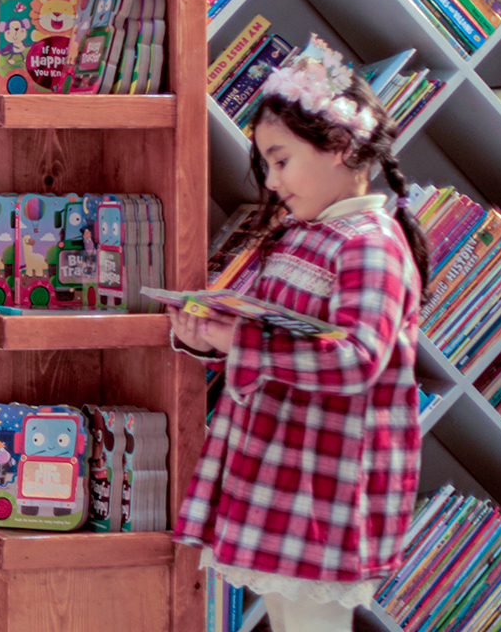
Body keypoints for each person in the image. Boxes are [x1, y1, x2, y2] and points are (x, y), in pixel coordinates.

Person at [168, 37, 427, 632]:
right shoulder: (301, 235)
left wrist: (240, 344)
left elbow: (357, 360)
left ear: (338, 146)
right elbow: (272, 336)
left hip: (326, 490)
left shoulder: (372, 246)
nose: (274, 181)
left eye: (281, 161)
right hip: (278, 473)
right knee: (288, 622)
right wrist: (210, 335)